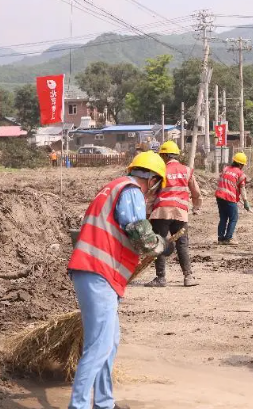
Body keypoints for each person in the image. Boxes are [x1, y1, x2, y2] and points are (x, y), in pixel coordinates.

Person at [67, 151, 169, 409]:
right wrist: (158, 244)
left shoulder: (111, 188)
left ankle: (104, 403)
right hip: (97, 271)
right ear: (153, 180)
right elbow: (136, 229)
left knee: (109, 342)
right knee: (98, 346)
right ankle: (78, 405)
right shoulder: (131, 190)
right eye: (156, 186)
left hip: (97, 272)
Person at [145, 141, 202, 288]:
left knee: (160, 244)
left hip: (161, 212)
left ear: (164, 155)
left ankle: (161, 278)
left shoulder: (160, 171)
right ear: (176, 155)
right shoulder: (187, 170)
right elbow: (196, 193)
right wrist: (196, 207)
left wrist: (147, 213)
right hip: (180, 213)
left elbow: (151, 195)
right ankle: (188, 277)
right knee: (182, 245)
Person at [216, 152, 250, 244]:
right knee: (233, 218)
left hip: (219, 196)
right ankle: (228, 238)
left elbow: (221, 181)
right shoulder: (240, 174)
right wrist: (245, 201)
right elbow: (242, 188)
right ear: (240, 164)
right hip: (229, 198)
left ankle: (220, 238)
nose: (243, 166)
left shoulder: (225, 169)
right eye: (242, 164)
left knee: (223, 218)